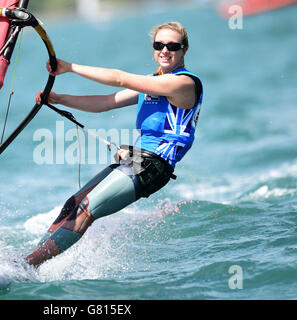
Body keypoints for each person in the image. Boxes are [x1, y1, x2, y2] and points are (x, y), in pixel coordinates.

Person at [25, 22, 203, 267]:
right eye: (159, 45)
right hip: (138, 159)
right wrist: (58, 99)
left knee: (86, 210)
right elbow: (105, 102)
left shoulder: (184, 84)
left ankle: (28, 264)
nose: (165, 50)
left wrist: (70, 67)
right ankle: (33, 257)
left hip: (155, 166)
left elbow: (120, 79)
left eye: (172, 46)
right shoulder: (152, 83)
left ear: (184, 51)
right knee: (73, 204)